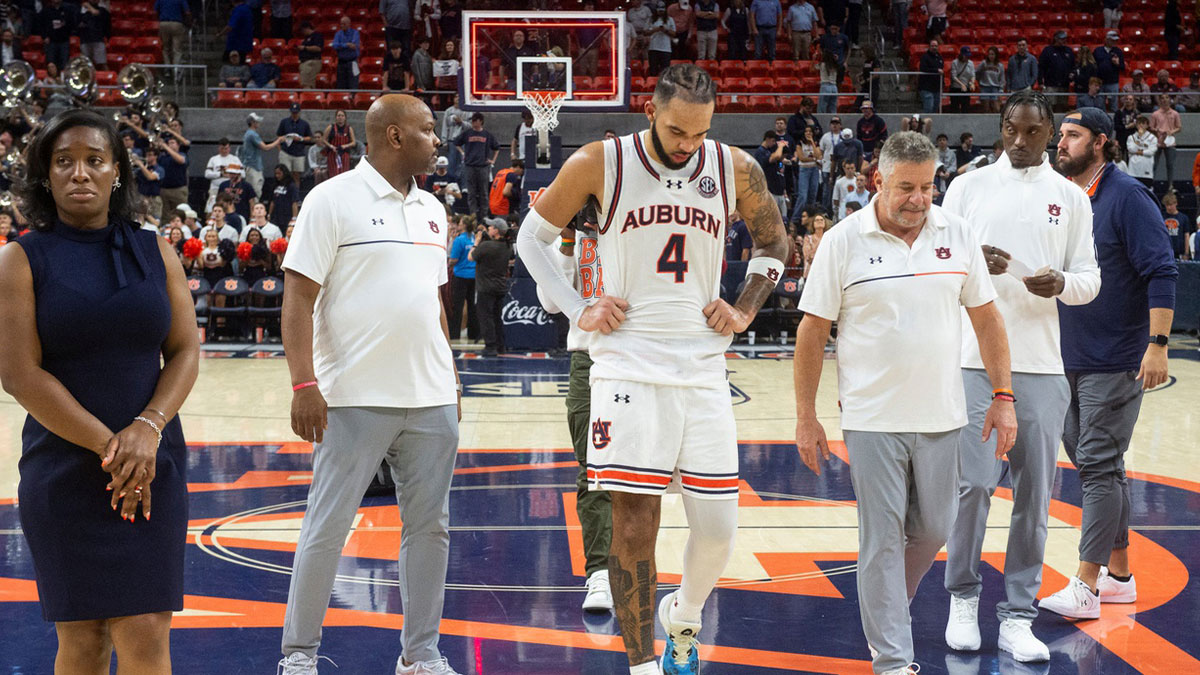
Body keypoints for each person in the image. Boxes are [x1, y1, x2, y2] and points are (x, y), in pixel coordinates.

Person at [514, 63, 789, 675]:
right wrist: (579, 305)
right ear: (649, 113)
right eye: (676, 133)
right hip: (626, 368)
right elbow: (531, 238)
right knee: (634, 524)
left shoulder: (734, 168)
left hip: (702, 367)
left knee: (717, 528)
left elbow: (776, 244)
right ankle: (641, 664)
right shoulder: (599, 162)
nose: (687, 146)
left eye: (699, 133)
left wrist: (744, 307)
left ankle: (683, 616)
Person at [794, 131, 1017, 675]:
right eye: (906, 188)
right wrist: (806, 416)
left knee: (937, 529)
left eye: (928, 186)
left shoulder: (957, 234)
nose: (919, 198)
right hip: (872, 419)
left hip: (942, 415)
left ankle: (886, 604)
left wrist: (1003, 395)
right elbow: (811, 331)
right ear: (878, 181)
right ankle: (893, 659)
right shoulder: (844, 240)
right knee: (883, 538)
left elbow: (987, 319)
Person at [0, 108, 198, 673]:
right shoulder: (19, 259)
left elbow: (185, 351)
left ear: (118, 171)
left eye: (94, 160)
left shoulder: (155, 251)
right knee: (83, 639)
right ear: (45, 175)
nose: (79, 173)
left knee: (145, 631)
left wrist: (148, 428)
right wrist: (114, 447)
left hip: (154, 463)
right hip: (65, 470)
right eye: (63, 162)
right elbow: (20, 375)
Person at [279, 94, 463, 675]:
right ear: (393, 137)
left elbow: (433, 303)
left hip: (431, 398)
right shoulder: (331, 200)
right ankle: (299, 655)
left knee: (430, 529)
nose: (437, 140)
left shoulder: (434, 210)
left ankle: (421, 657)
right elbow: (298, 297)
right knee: (327, 527)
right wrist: (303, 382)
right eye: (428, 130)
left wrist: (452, 377)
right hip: (353, 397)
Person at [940, 91, 1101, 664]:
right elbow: (938, 265)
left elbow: (1090, 279)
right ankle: (962, 598)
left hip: (1041, 361)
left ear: (1049, 133)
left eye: (1033, 131)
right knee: (974, 486)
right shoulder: (967, 187)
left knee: (1034, 497)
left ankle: (1017, 614)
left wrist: (1062, 284)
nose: (1020, 139)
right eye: (1012, 128)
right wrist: (969, 262)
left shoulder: (1070, 198)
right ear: (1001, 128)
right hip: (971, 358)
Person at [1039, 107, 1178, 620]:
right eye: (1061, 136)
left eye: (1072, 136)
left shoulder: (1127, 197)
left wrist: (1158, 343)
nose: (1061, 143)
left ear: (1100, 142)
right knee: (1100, 466)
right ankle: (1120, 576)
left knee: (1097, 465)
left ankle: (1086, 586)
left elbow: (1162, 270)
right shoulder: (1067, 198)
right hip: (1067, 356)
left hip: (1116, 359)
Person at [534, 220, 615, 611]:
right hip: (587, 358)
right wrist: (567, 244)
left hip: (636, 356)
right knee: (591, 468)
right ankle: (599, 574)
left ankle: (632, 564)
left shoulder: (636, 221)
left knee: (644, 470)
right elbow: (550, 303)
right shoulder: (570, 238)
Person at [469, 216, 513, 356]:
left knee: (486, 317)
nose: (488, 228)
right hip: (500, 287)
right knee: (496, 317)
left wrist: (476, 242)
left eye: (491, 227)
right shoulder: (506, 246)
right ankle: (500, 346)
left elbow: (471, 257)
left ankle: (490, 346)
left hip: (486, 287)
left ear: (496, 231)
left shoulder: (486, 246)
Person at [456, 113, 500, 221]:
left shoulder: (487, 135)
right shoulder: (467, 133)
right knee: (471, 192)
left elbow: (496, 148)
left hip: (483, 166)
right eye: (472, 121)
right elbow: (456, 142)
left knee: (483, 192)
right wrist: (463, 153)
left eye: (475, 121)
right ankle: (473, 215)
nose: (473, 123)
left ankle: (484, 215)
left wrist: (493, 160)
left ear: (480, 121)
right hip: (470, 165)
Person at [447, 217, 478, 342]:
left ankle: (454, 335)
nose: (458, 225)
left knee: (458, 306)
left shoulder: (459, 240)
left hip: (460, 276)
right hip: (474, 275)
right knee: (472, 306)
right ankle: (473, 334)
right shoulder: (475, 238)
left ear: (464, 225)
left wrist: (449, 264)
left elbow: (453, 259)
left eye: (459, 223)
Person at [241, 112, 282, 194]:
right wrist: (279, 141)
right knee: (255, 191)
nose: (259, 123)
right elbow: (265, 147)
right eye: (257, 121)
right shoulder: (252, 134)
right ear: (252, 123)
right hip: (253, 167)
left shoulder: (249, 134)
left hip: (253, 166)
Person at [1150, 93, 1182, 186]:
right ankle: (1151, 185)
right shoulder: (1155, 114)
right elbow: (1151, 127)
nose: (1164, 100)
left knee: (1170, 165)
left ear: (1170, 100)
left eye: (1167, 98)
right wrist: (1158, 130)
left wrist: (1171, 131)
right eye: (1162, 98)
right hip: (1158, 142)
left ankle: (1170, 186)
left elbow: (1179, 127)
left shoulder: (1175, 113)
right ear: (1160, 101)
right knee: (1154, 165)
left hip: (1170, 142)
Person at [1039, 30, 1075, 110]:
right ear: (1056, 39)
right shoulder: (1048, 50)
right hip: (1051, 84)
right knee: (1049, 106)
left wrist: (1072, 74)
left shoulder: (1068, 51)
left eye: (1065, 39)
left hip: (1064, 84)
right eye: (1062, 39)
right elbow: (1041, 67)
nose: (1064, 41)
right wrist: (1040, 81)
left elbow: (1073, 66)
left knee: (1062, 106)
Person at [276, 103, 312, 178]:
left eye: (296, 112)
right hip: (286, 151)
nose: (294, 114)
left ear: (299, 112)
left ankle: (296, 189)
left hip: (299, 152)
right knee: (285, 174)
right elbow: (278, 136)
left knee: (296, 175)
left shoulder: (304, 124)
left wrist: (300, 139)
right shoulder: (284, 122)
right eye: (293, 112)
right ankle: (285, 189)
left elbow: (309, 137)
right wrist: (280, 150)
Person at [204, 138, 239, 212]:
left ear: (229, 148)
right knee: (211, 208)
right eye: (222, 148)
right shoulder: (213, 159)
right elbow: (207, 174)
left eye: (226, 148)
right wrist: (220, 174)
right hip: (215, 189)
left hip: (229, 189)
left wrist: (231, 175)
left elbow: (243, 174)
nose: (224, 150)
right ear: (219, 148)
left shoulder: (235, 159)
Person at [156, 0, 190, 73]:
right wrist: (188, 22)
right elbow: (187, 12)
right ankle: (176, 69)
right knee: (177, 49)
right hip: (177, 23)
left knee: (166, 48)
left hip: (164, 23)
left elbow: (156, 10)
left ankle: (167, 68)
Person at [1094, 31, 1125, 111]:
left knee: (1113, 104)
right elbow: (1093, 65)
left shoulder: (1118, 52)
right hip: (1100, 82)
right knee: (1100, 105)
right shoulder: (1098, 51)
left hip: (1113, 82)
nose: (1114, 42)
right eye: (1112, 40)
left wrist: (1117, 64)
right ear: (1106, 40)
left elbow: (1122, 68)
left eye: (1115, 40)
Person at [323, 109, 356, 179]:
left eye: (342, 116)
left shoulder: (349, 128)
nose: (340, 117)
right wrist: (331, 146)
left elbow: (354, 143)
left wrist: (345, 146)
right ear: (336, 117)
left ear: (345, 118)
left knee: (344, 175)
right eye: (338, 116)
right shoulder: (330, 127)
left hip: (344, 155)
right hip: (333, 154)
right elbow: (323, 140)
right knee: (333, 175)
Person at [331, 15, 361, 90]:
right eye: (341, 24)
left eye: (344, 24)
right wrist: (346, 44)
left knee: (353, 83)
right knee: (341, 84)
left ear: (349, 24)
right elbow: (335, 45)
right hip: (341, 62)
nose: (342, 25)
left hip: (352, 62)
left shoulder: (355, 33)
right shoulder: (338, 34)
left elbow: (354, 46)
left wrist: (341, 46)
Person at [266, 164, 299, 230]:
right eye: (276, 174)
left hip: (287, 215)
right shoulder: (275, 185)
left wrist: (294, 217)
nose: (277, 176)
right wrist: (269, 214)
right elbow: (272, 201)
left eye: (279, 173)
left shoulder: (291, 186)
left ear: (284, 173)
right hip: (276, 215)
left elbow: (294, 202)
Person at [1126, 115, 1157, 185]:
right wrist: (1138, 140)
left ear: (1147, 125)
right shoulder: (1131, 137)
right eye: (1139, 123)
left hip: (1146, 166)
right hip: (1133, 168)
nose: (1141, 125)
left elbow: (1151, 152)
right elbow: (1131, 149)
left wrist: (1139, 152)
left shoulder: (1152, 138)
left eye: (1143, 123)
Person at [918, 39, 944, 113]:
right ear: (929, 47)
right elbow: (923, 68)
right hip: (926, 88)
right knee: (928, 108)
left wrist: (942, 85)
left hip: (937, 88)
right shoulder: (925, 57)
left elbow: (942, 70)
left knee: (935, 109)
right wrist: (936, 70)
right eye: (932, 46)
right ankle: (925, 124)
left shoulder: (940, 57)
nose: (934, 47)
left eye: (936, 46)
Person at [977, 46, 1005, 114]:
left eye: (993, 54)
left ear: (996, 55)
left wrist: (1001, 90)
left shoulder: (1000, 65)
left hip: (995, 88)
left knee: (996, 108)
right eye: (989, 54)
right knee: (986, 109)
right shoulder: (983, 63)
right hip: (984, 87)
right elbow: (977, 73)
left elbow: (1002, 78)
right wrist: (979, 81)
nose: (991, 56)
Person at [297, 21, 324, 89]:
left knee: (307, 84)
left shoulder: (317, 36)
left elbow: (318, 48)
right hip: (305, 63)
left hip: (311, 62)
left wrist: (304, 48)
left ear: (307, 28)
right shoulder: (306, 38)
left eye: (303, 30)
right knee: (306, 84)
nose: (302, 32)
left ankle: (308, 97)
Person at [949, 46, 975, 115]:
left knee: (966, 108)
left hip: (966, 89)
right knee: (955, 108)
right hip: (956, 88)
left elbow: (972, 75)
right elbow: (953, 76)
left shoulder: (970, 63)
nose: (967, 58)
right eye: (965, 56)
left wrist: (972, 83)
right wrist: (961, 84)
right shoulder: (955, 63)